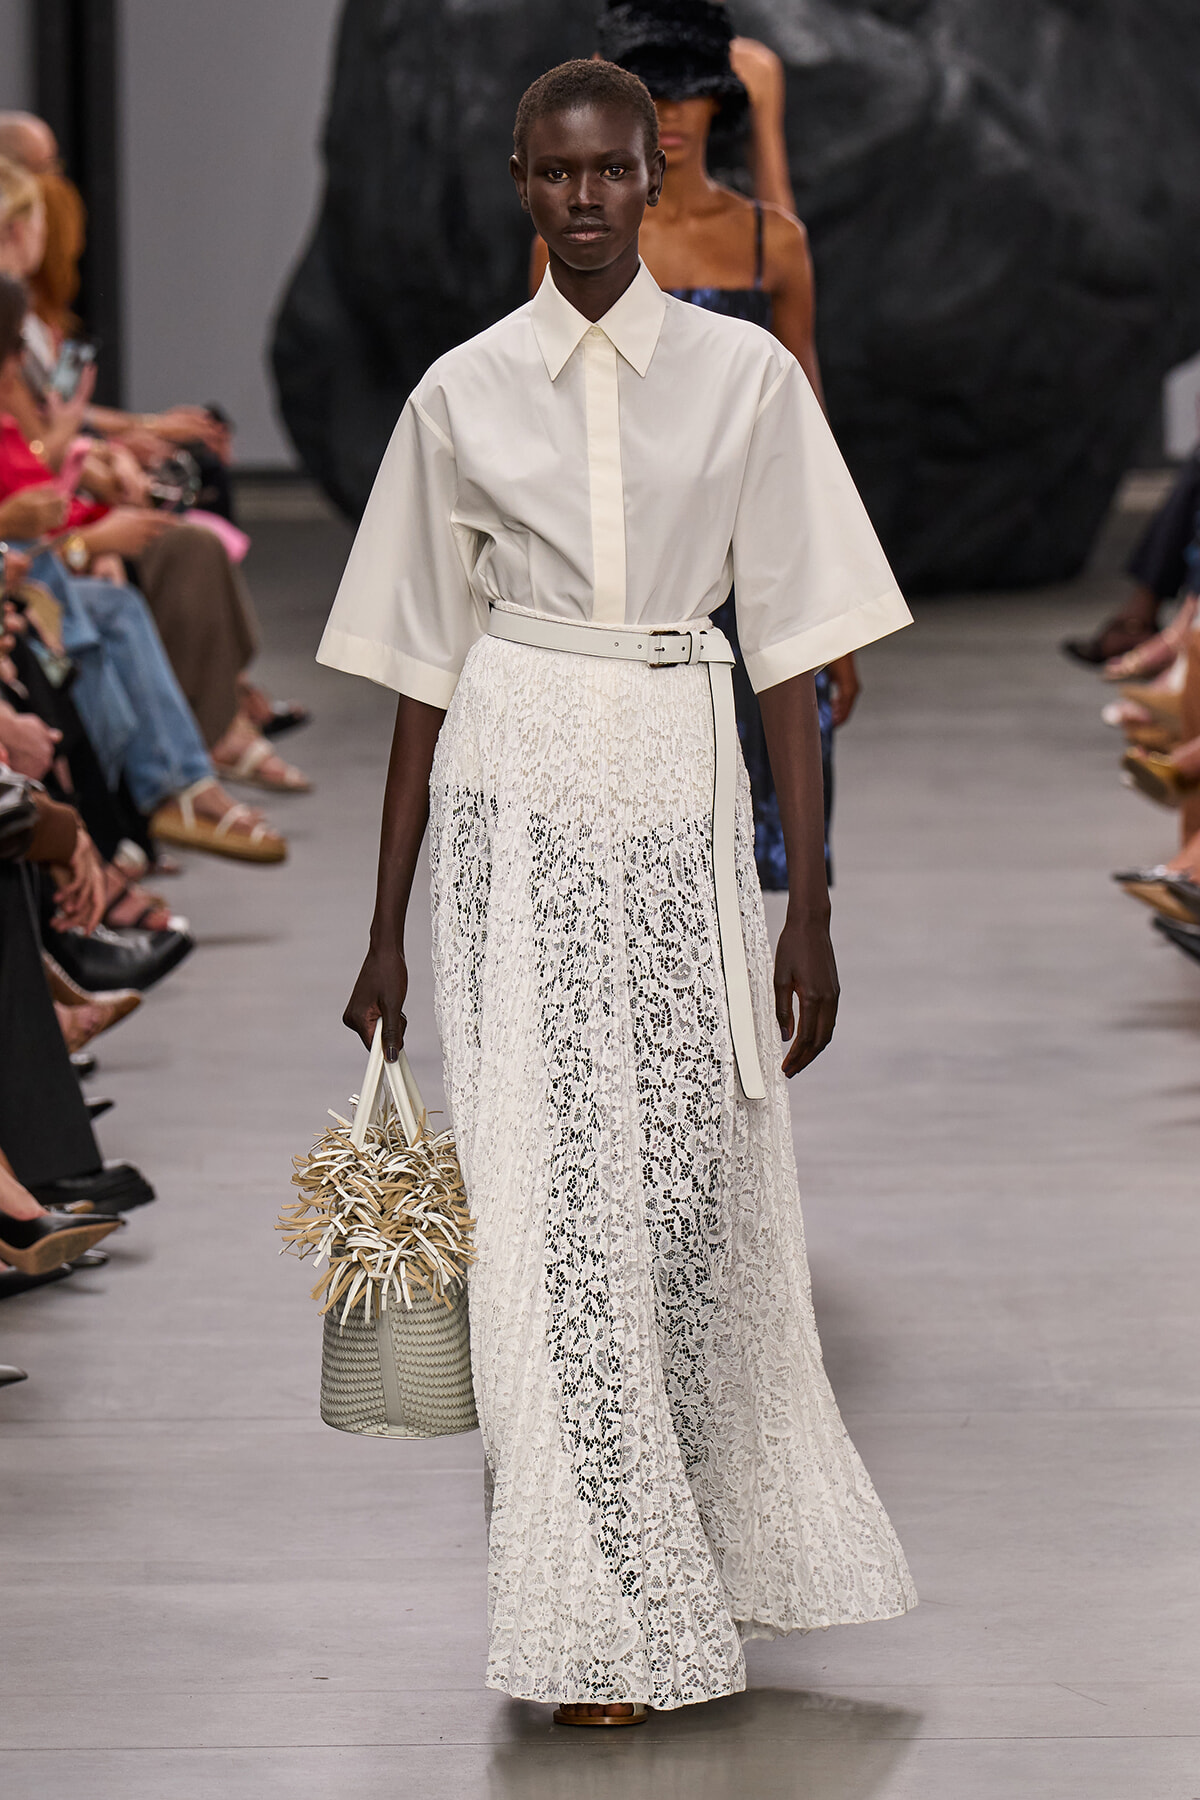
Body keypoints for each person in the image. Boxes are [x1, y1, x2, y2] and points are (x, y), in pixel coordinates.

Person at [321, 60, 916, 1723]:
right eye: (556, 177)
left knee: (677, 1196)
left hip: (674, 776)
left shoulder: (742, 382)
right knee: (536, 1207)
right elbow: (418, 676)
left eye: (613, 176)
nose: (585, 202)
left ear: (653, 179)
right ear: (521, 178)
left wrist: (809, 907)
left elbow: (795, 653)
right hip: (513, 790)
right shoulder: (459, 395)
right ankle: (586, 1601)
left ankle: (687, 1544)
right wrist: (385, 930)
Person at [533, 1, 858, 886]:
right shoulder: (576, 242)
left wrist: (837, 610)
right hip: (625, 575)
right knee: (628, 850)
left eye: (693, 92)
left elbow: (805, 429)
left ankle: (744, 1026)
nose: (675, 109)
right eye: (655, 93)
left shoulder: (771, 243)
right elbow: (547, 425)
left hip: (751, 568)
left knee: (764, 846)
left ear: (721, 100)